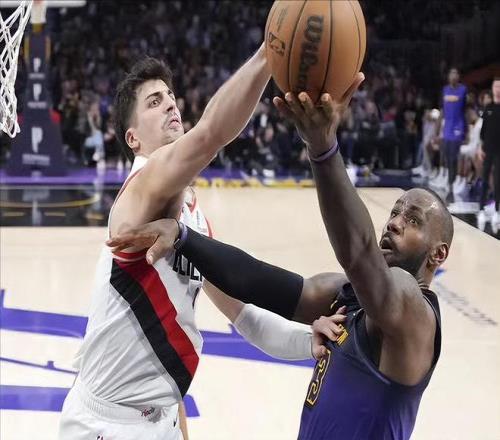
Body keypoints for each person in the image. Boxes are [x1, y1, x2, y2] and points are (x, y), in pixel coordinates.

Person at [110, 72, 452, 440]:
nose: (395, 223)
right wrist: (184, 238)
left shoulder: (414, 311)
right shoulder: (352, 296)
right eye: (395, 212)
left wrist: (323, 148)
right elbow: (261, 282)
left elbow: (359, 253)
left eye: (413, 220)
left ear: (439, 253)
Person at [58, 44, 341, 440]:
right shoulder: (140, 191)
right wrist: (270, 52)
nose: (170, 104)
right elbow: (210, 135)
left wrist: (307, 340)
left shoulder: (193, 220)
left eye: (170, 96)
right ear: (132, 138)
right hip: (107, 424)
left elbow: (245, 317)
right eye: (154, 102)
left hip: (161, 418)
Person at [432, 67, 467, 192]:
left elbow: (465, 110)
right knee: (446, 155)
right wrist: (436, 130)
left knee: (453, 156)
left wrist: (466, 132)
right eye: (451, 73)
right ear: (448, 76)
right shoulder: (445, 90)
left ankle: (452, 183)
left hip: (458, 127)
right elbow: (442, 110)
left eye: (455, 73)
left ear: (458, 76)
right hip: (447, 127)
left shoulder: (463, 90)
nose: (453, 76)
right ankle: (448, 181)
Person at [477, 77, 500, 230]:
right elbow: (483, 132)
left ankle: (497, 210)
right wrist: (480, 147)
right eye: (495, 86)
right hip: (487, 150)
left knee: (498, 180)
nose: (497, 89)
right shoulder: (488, 107)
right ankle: (481, 209)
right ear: (492, 89)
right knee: (484, 179)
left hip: (499, 151)